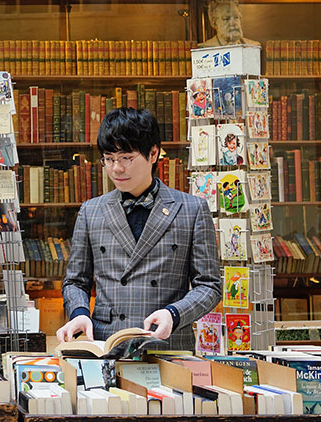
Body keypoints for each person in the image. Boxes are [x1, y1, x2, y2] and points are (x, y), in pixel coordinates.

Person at [56, 107, 221, 351]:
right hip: (106, 345)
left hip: (166, 345)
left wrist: (174, 314)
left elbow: (209, 286)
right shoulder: (91, 211)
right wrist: (80, 313)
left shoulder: (192, 210)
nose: (116, 169)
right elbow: (75, 282)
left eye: (126, 158)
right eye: (109, 159)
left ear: (153, 153)